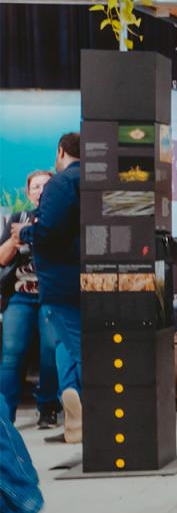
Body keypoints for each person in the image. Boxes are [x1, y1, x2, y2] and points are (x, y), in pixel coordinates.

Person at [16, 135, 81, 446]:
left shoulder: (62, 184)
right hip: (82, 282)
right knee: (70, 349)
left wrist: (26, 232)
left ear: (60, 151)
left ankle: (85, 417)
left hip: (60, 283)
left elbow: (50, 232)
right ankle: (76, 422)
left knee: (76, 351)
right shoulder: (91, 180)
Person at [0, 170, 60, 428]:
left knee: (50, 352)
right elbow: (2, 258)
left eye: (45, 186)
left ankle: (47, 409)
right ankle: (6, 413)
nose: (40, 191)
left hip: (51, 296)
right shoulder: (17, 218)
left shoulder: (59, 218)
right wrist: (16, 238)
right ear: (28, 193)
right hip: (21, 296)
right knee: (12, 353)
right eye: (35, 187)